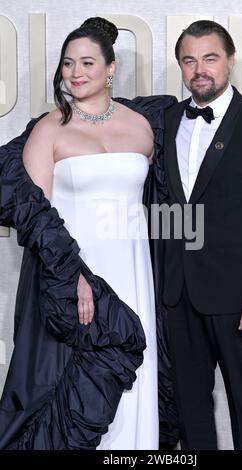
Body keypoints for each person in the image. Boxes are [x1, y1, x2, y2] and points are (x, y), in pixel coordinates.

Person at [0, 17, 176, 450]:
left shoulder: (145, 126)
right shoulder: (49, 129)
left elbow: (165, 204)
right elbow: (36, 216)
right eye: (67, 64)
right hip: (75, 274)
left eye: (87, 63)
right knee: (73, 382)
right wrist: (73, 277)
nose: (76, 73)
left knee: (136, 379)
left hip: (133, 272)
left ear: (110, 68)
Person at [162, 20, 242, 450]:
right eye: (190, 59)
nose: (200, 69)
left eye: (210, 58)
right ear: (181, 66)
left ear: (231, 62)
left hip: (239, 299)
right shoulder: (166, 122)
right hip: (180, 295)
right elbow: (173, 208)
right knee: (191, 411)